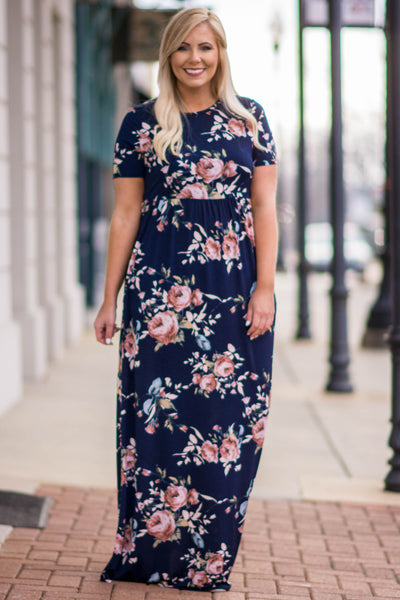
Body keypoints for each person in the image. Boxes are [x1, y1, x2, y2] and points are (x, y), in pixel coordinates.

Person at [94, 6, 278, 591]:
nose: (195, 59)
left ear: (221, 53)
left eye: (206, 47)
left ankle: (208, 561)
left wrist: (266, 288)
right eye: (183, 48)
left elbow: (266, 209)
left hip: (231, 298)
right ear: (167, 55)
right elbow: (126, 214)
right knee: (152, 426)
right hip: (159, 302)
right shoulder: (141, 124)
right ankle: (147, 555)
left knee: (229, 426)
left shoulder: (251, 121)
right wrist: (109, 299)